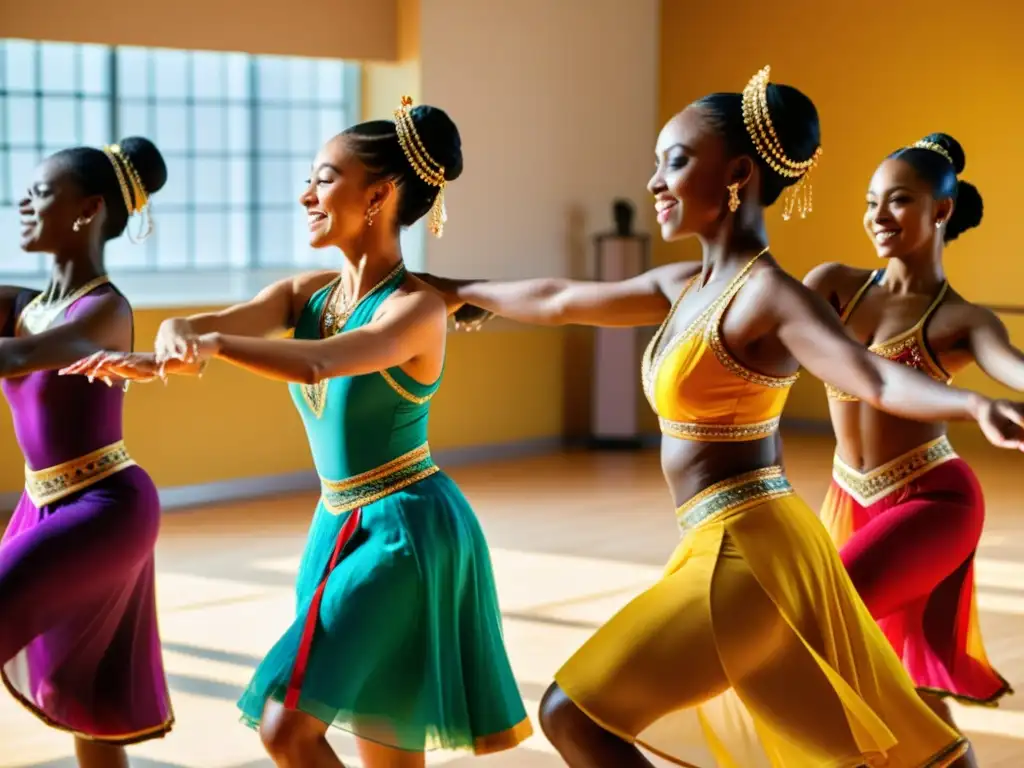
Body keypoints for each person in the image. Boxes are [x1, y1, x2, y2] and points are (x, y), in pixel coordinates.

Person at [416, 67, 1024, 767]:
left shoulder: (769, 296)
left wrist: (974, 403)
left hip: (750, 556)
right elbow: (560, 298)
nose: (654, 182)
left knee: (573, 713)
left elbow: (868, 376)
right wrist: (456, 289)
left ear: (738, 173)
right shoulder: (687, 284)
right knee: (883, 748)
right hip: (719, 544)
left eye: (674, 161)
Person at [60, 98, 531, 768]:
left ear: (378, 195)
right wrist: (172, 347)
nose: (306, 193)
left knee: (287, 726)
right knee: (386, 746)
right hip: (335, 525)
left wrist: (214, 346)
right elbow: (190, 326)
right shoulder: (307, 293)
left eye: (324, 178)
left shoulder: (416, 309)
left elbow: (319, 360)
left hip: (407, 533)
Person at [807, 132, 1019, 767]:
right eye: (872, 201)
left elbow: (1012, 368)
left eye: (898, 201)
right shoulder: (834, 285)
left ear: (941, 211)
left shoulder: (963, 320)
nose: (878, 216)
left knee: (829, 623)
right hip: (850, 497)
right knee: (898, 675)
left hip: (934, 500)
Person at [0, 137, 171, 768]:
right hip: (40, 506)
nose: (23, 201)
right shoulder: (21, 305)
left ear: (87, 209)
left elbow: (17, 357)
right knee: (82, 693)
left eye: (41, 192)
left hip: (105, 507)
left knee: (85, 689)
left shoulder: (105, 311)